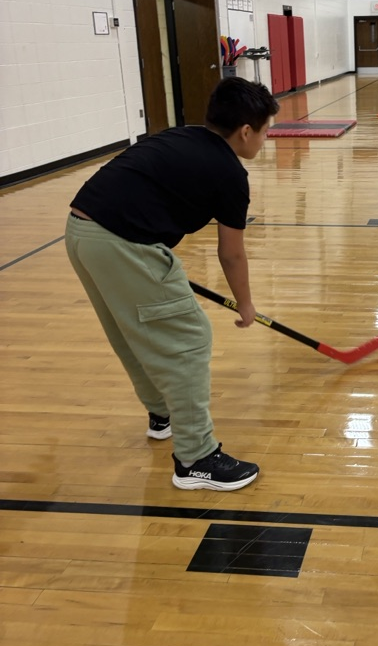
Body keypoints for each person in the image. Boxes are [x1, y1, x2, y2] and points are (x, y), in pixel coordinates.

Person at [65, 77, 280, 492]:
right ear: (246, 131)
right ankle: (196, 458)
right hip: (120, 242)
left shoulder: (183, 136)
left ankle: (162, 414)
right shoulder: (230, 173)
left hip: (81, 231)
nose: (265, 141)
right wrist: (246, 305)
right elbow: (231, 253)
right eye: (267, 131)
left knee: (131, 330)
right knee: (189, 338)